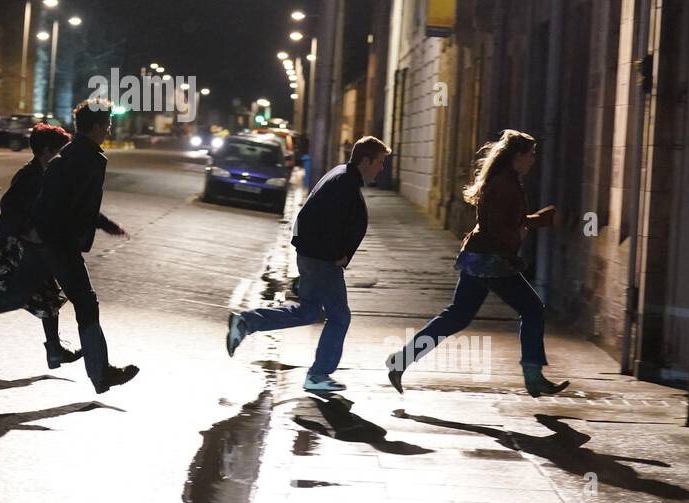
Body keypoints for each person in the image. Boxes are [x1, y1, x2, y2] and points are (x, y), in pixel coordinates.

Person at [385, 129, 568, 397]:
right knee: (532, 309)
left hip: (480, 256)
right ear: (518, 156)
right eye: (531, 155)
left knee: (457, 315)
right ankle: (533, 376)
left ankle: (401, 361)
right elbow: (496, 226)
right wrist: (519, 236)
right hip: (492, 260)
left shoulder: (506, 179)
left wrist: (540, 220)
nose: (533, 160)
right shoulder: (505, 183)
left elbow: (506, 221)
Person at [226, 136, 390, 394]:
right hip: (322, 261)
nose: (382, 168)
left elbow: (315, 218)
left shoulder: (342, 176)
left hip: (315, 257)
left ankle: (247, 322)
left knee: (308, 312)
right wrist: (336, 254)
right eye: (380, 162)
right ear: (366, 160)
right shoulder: (344, 183)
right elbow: (319, 221)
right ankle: (318, 375)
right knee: (339, 317)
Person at [0, 122, 86, 369]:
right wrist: (30, 232)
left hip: (29, 249)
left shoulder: (48, 175)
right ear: (47, 151)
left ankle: (55, 350)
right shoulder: (30, 177)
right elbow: (10, 208)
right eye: (62, 150)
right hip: (10, 249)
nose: (66, 156)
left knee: (47, 297)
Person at [33, 99, 138, 395]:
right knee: (86, 303)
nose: (108, 130)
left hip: (51, 239)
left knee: (12, 294)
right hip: (59, 243)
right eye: (106, 125)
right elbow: (79, 206)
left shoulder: (72, 153)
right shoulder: (87, 159)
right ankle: (100, 373)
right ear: (94, 127)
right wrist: (102, 225)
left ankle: (92, 368)